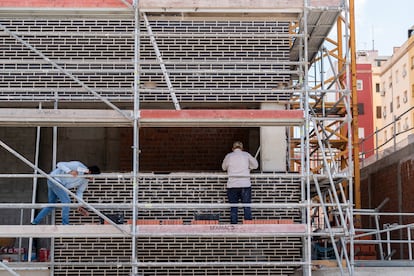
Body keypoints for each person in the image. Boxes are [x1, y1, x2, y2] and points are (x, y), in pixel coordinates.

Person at [32, 161, 100, 225]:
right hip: (55, 179)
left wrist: (80, 204)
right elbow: (59, 164)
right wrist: (69, 171)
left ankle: (35, 222)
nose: (92, 179)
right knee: (67, 201)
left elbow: (80, 192)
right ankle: (65, 224)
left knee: (51, 205)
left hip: (59, 184)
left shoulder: (85, 180)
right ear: (89, 172)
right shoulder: (78, 165)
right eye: (92, 177)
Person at [222, 141, 258, 224]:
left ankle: (234, 227)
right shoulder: (246, 155)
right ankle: (248, 226)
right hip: (245, 184)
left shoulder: (229, 156)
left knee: (234, 207)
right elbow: (255, 165)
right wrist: (249, 167)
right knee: (246, 207)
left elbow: (223, 167)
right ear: (242, 148)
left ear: (233, 148)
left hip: (232, 185)